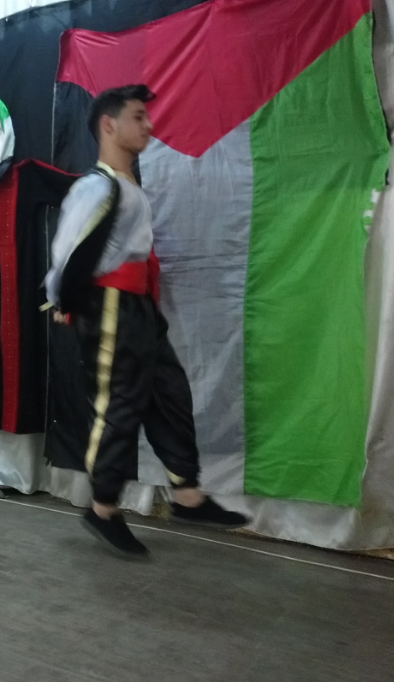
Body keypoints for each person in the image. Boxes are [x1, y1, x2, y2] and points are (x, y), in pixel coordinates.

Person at [44, 84, 249, 557]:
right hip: (110, 306)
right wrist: (62, 300)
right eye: (138, 117)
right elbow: (67, 253)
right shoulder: (97, 187)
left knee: (169, 392)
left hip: (137, 308)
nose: (148, 125)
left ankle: (187, 494)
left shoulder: (127, 185)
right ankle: (102, 508)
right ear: (108, 125)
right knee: (119, 404)